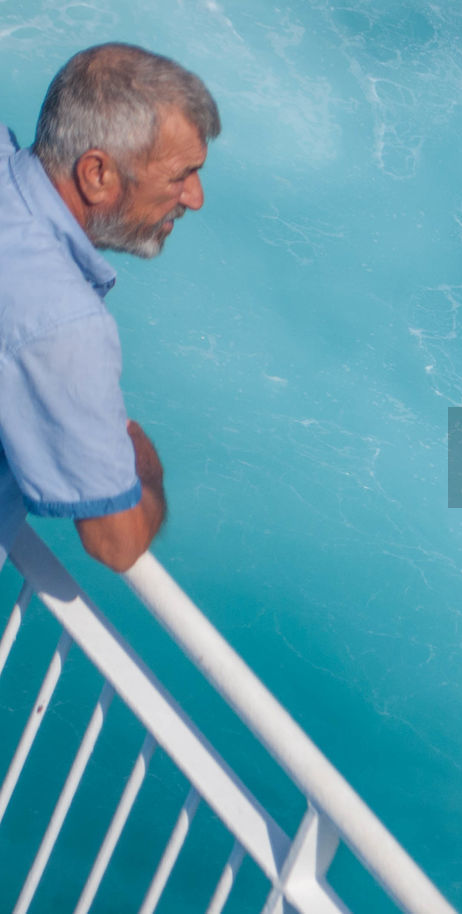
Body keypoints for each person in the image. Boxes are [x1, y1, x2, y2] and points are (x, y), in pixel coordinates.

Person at [0, 44, 219, 572]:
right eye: (179, 176)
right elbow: (116, 543)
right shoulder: (64, 325)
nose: (195, 197)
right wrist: (146, 470)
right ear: (96, 173)